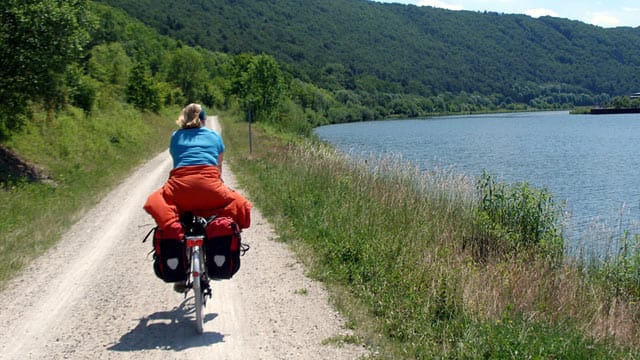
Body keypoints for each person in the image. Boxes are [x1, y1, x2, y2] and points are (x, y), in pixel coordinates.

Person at [144, 102, 252, 240]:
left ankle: (172, 226)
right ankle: (228, 235)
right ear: (204, 119)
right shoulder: (214, 136)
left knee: (154, 200)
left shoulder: (176, 136)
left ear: (183, 118)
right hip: (210, 187)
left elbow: (176, 158)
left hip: (179, 189)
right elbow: (218, 167)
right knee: (240, 204)